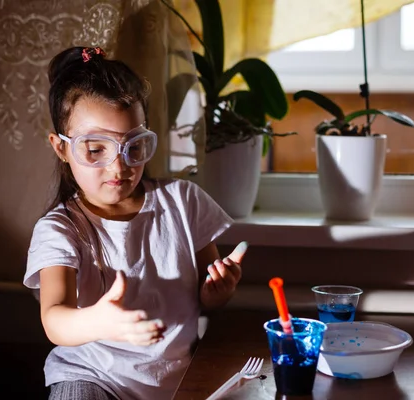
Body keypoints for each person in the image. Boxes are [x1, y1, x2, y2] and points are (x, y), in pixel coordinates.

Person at [23, 46, 248, 400]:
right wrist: (100, 320)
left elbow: (208, 299)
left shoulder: (183, 201)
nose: (119, 166)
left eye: (134, 146)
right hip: (92, 378)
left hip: (176, 382)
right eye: (95, 149)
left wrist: (216, 292)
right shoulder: (60, 229)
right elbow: (54, 318)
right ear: (61, 148)